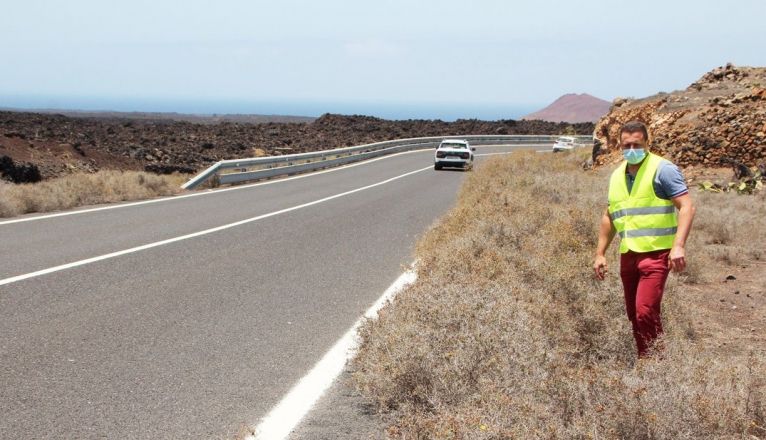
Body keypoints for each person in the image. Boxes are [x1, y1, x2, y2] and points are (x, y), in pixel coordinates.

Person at [593, 121, 696, 358]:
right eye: (626, 145)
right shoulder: (617, 175)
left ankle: (657, 367)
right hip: (628, 255)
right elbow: (610, 215)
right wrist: (600, 253)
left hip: (657, 253)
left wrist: (678, 246)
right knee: (633, 314)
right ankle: (645, 359)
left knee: (645, 312)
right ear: (618, 145)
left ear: (647, 143)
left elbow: (687, 207)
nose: (631, 149)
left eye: (636, 144)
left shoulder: (663, 169)